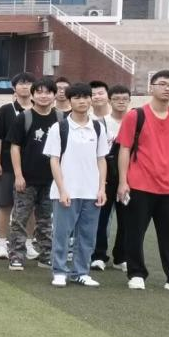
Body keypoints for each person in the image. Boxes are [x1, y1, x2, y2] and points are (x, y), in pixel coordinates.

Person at [116, 70, 169, 293]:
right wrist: (123, 181)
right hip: (139, 184)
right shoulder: (136, 115)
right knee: (134, 232)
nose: (167, 88)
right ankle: (136, 274)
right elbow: (124, 149)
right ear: (151, 87)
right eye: (162, 84)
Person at [45, 83, 109, 287]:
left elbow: (101, 159)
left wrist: (102, 188)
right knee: (62, 234)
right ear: (70, 101)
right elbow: (54, 160)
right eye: (77, 97)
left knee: (88, 235)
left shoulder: (98, 127)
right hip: (67, 191)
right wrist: (62, 189)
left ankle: (81, 272)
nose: (82, 101)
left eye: (86, 97)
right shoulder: (60, 127)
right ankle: (59, 270)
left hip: (91, 191)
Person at [5, 79, 59, 272]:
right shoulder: (24, 118)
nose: (44, 96)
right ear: (33, 95)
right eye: (40, 92)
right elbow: (15, 147)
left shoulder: (60, 119)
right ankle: (16, 256)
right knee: (20, 219)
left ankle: (46, 256)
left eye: (48, 92)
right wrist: (18, 175)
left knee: (46, 220)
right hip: (26, 180)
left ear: (54, 95)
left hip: (51, 180)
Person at [0, 73, 38, 259]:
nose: (25, 86)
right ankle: (1, 244)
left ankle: (28, 243)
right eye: (21, 83)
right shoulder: (6, 110)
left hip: (32, 167)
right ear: (14, 87)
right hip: (8, 165)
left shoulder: (40, 109)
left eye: (29, 83)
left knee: (31, 208)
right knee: (5, 205)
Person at [90, 83, 130, 271]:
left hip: (129, 177)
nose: (121, 102)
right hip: (105, 176)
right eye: (116, 99)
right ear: (109, 100)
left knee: (126, 219)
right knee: (101, 218)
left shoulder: (134, 121)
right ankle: (98, 255)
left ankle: (121, 257)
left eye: (124, 99)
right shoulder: (100, 123)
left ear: (129, 101)